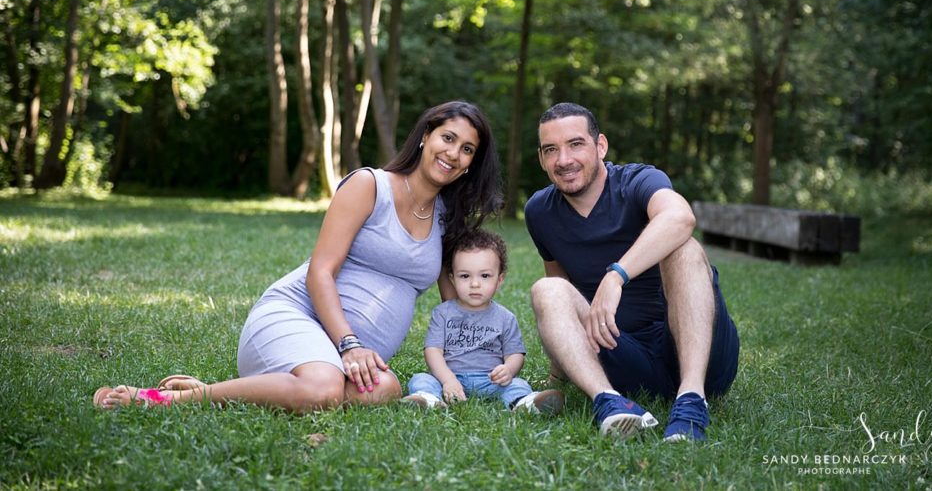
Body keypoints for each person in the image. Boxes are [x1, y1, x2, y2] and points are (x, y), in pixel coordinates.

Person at [93, 100, 503, 412]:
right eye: (448, 138)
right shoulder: (370, 185)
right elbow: (320, 271)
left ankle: (260, 389)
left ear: (471, 164)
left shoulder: (447, 219)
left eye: (467, 149)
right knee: (324, 389)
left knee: (386, 388)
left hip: (348, 359)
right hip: (298, 317)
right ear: (426, 136)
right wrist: (349, 344)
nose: (453, 153)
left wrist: (486, 368)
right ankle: (172, 399)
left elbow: (457, 306)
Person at [525, 102, 740, 441]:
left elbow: (680, 217)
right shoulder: (540, 211)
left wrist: (616, 276)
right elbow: (560, 292)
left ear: (600, 146)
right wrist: (558, 375)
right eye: (551, 149)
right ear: (541, 158)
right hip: (623, 358)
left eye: (576, 144)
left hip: (702, 353)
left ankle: (691, 399)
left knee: (683, 247)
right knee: (545, 289)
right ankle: (609, 402)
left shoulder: (638, 181)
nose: (563, 160)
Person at [402, 229, 564, 415]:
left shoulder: (505, 317)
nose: (475, 284)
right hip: (449, 377)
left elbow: (515, 354)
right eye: (465, 276)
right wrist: (448, 380)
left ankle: (525, 403)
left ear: (499, 279)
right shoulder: (442, 313)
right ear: (452, 279)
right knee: (421, 379)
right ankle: (429, 399)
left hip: (491, 381)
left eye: (485, 276)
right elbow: (433, 351)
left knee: (518, 384)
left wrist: (508, 369)